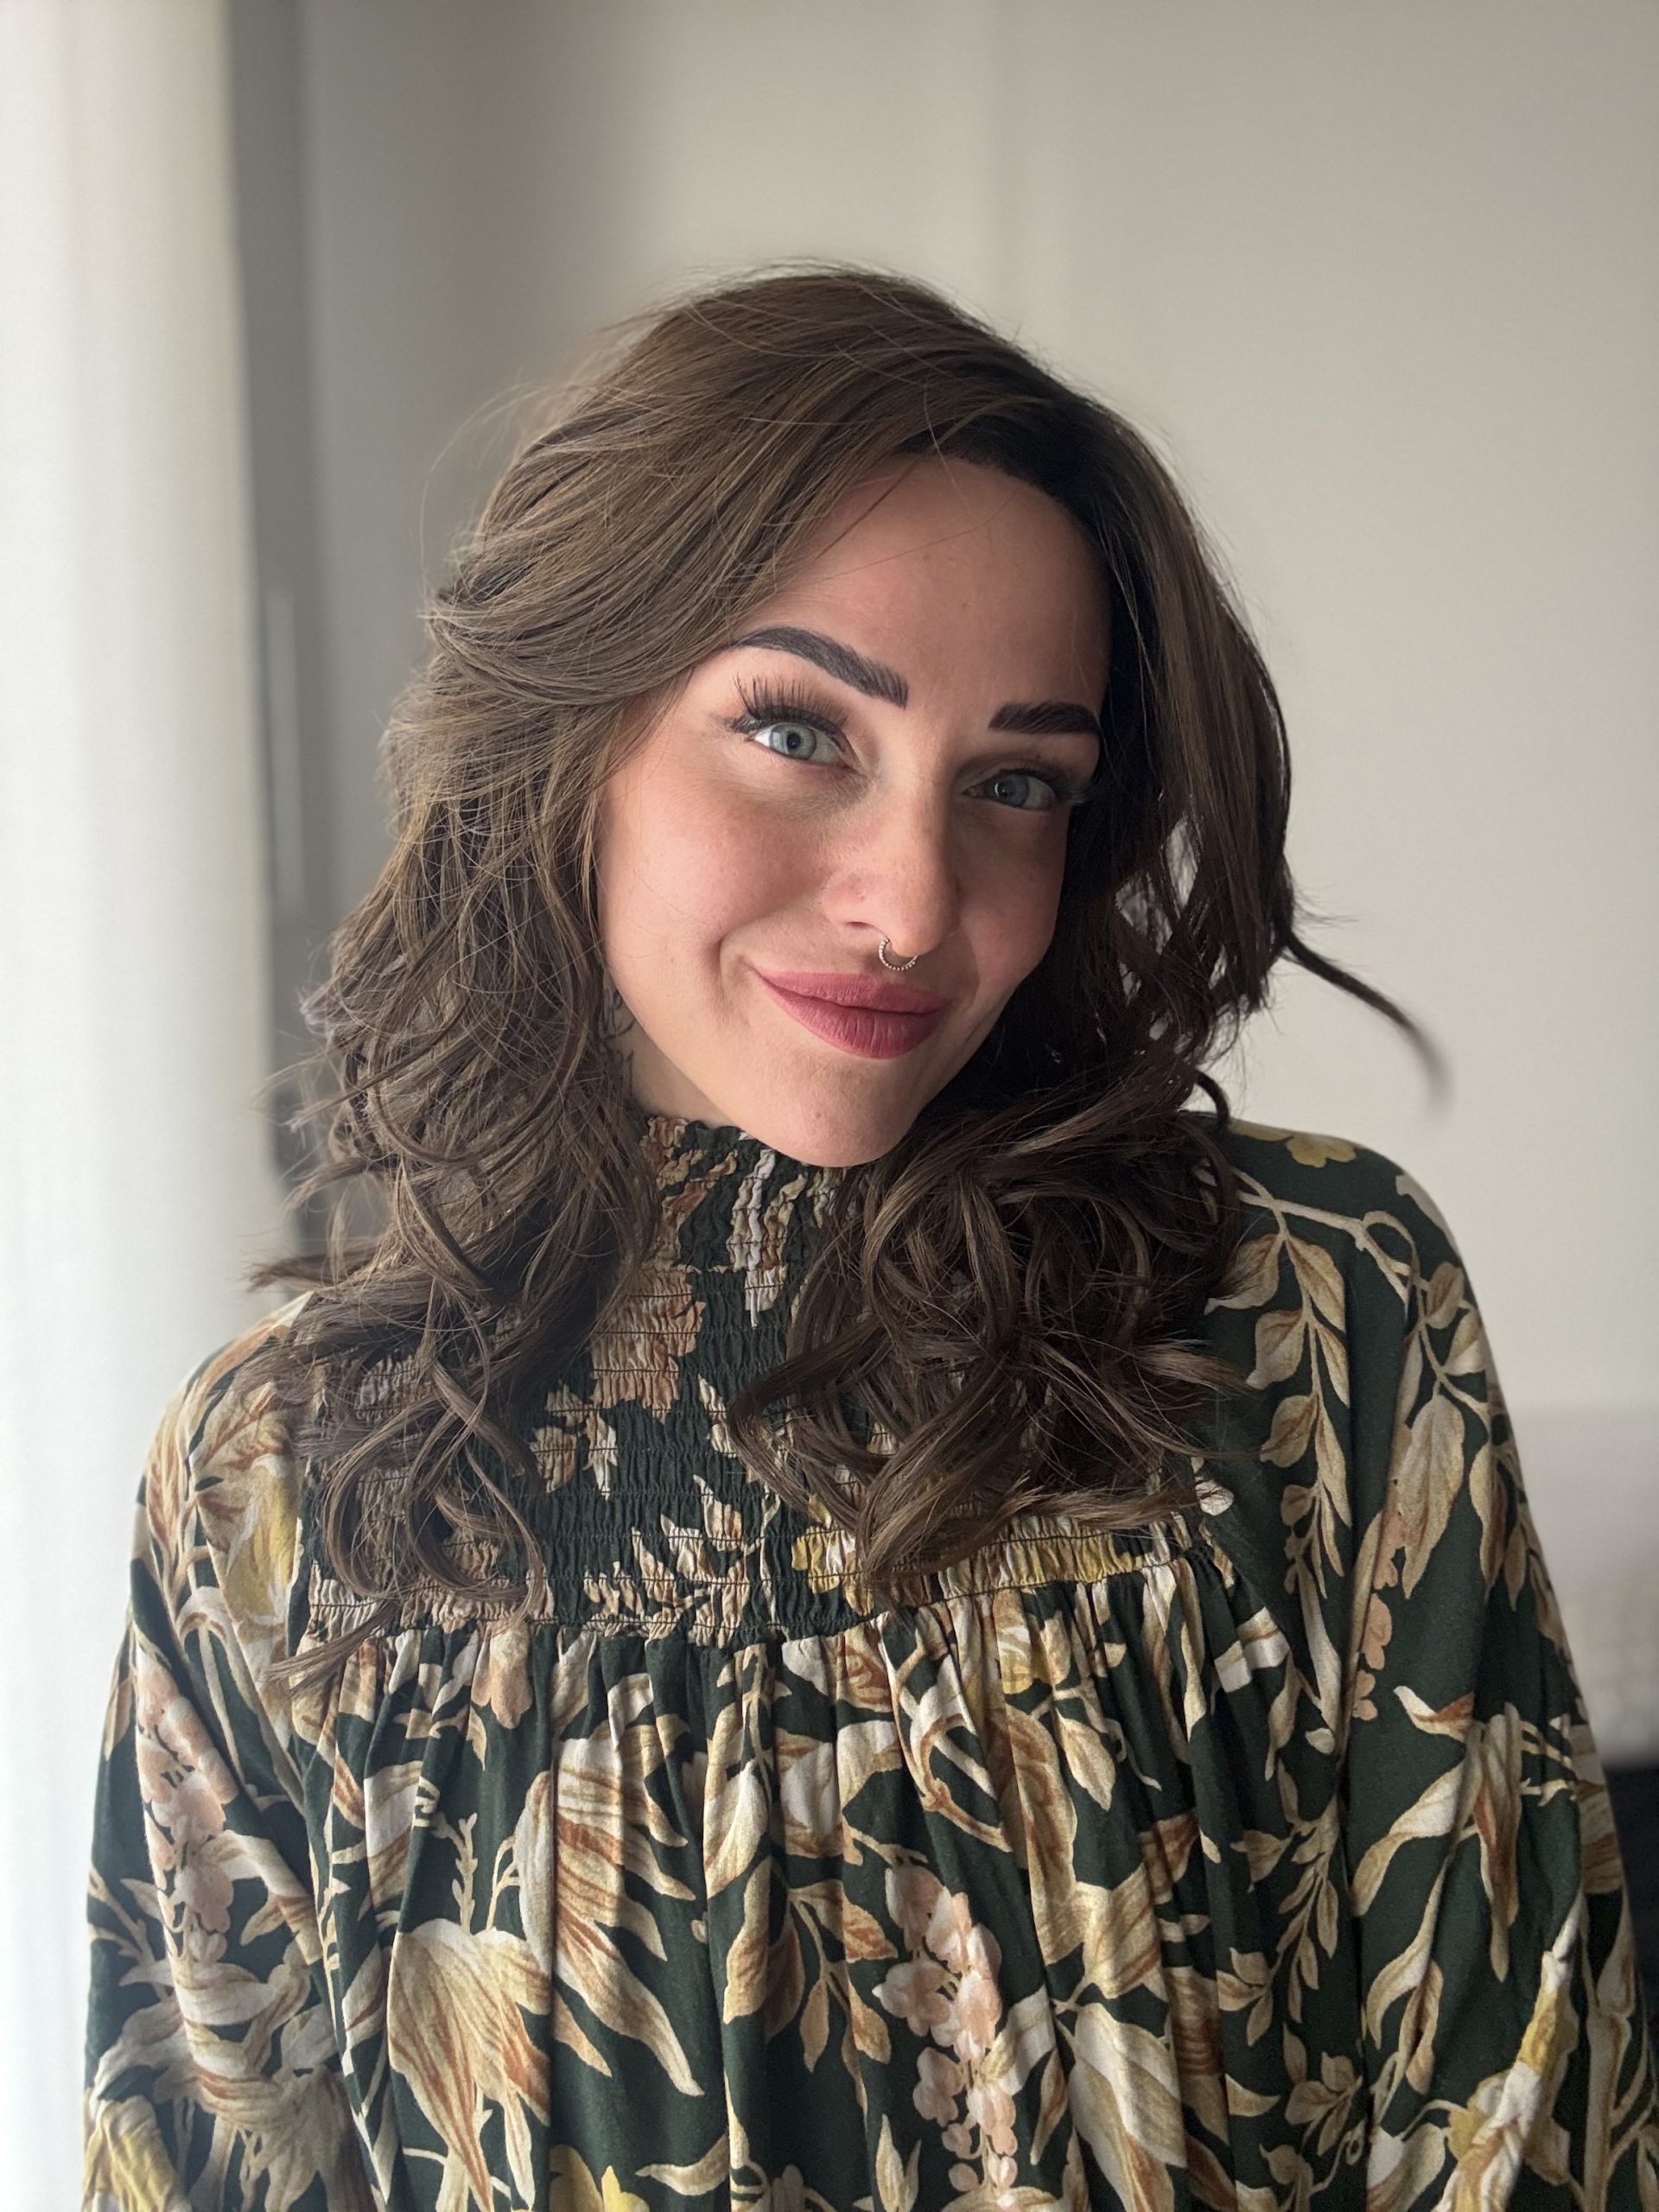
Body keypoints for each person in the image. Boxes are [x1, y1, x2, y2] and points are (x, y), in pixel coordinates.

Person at [82, 261, 1658, 2211]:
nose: (913, 903)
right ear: (573, 726)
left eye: (1016, 784)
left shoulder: (1311, 1313)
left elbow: (1529, 2117)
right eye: (798, 731)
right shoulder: (277, 1480)